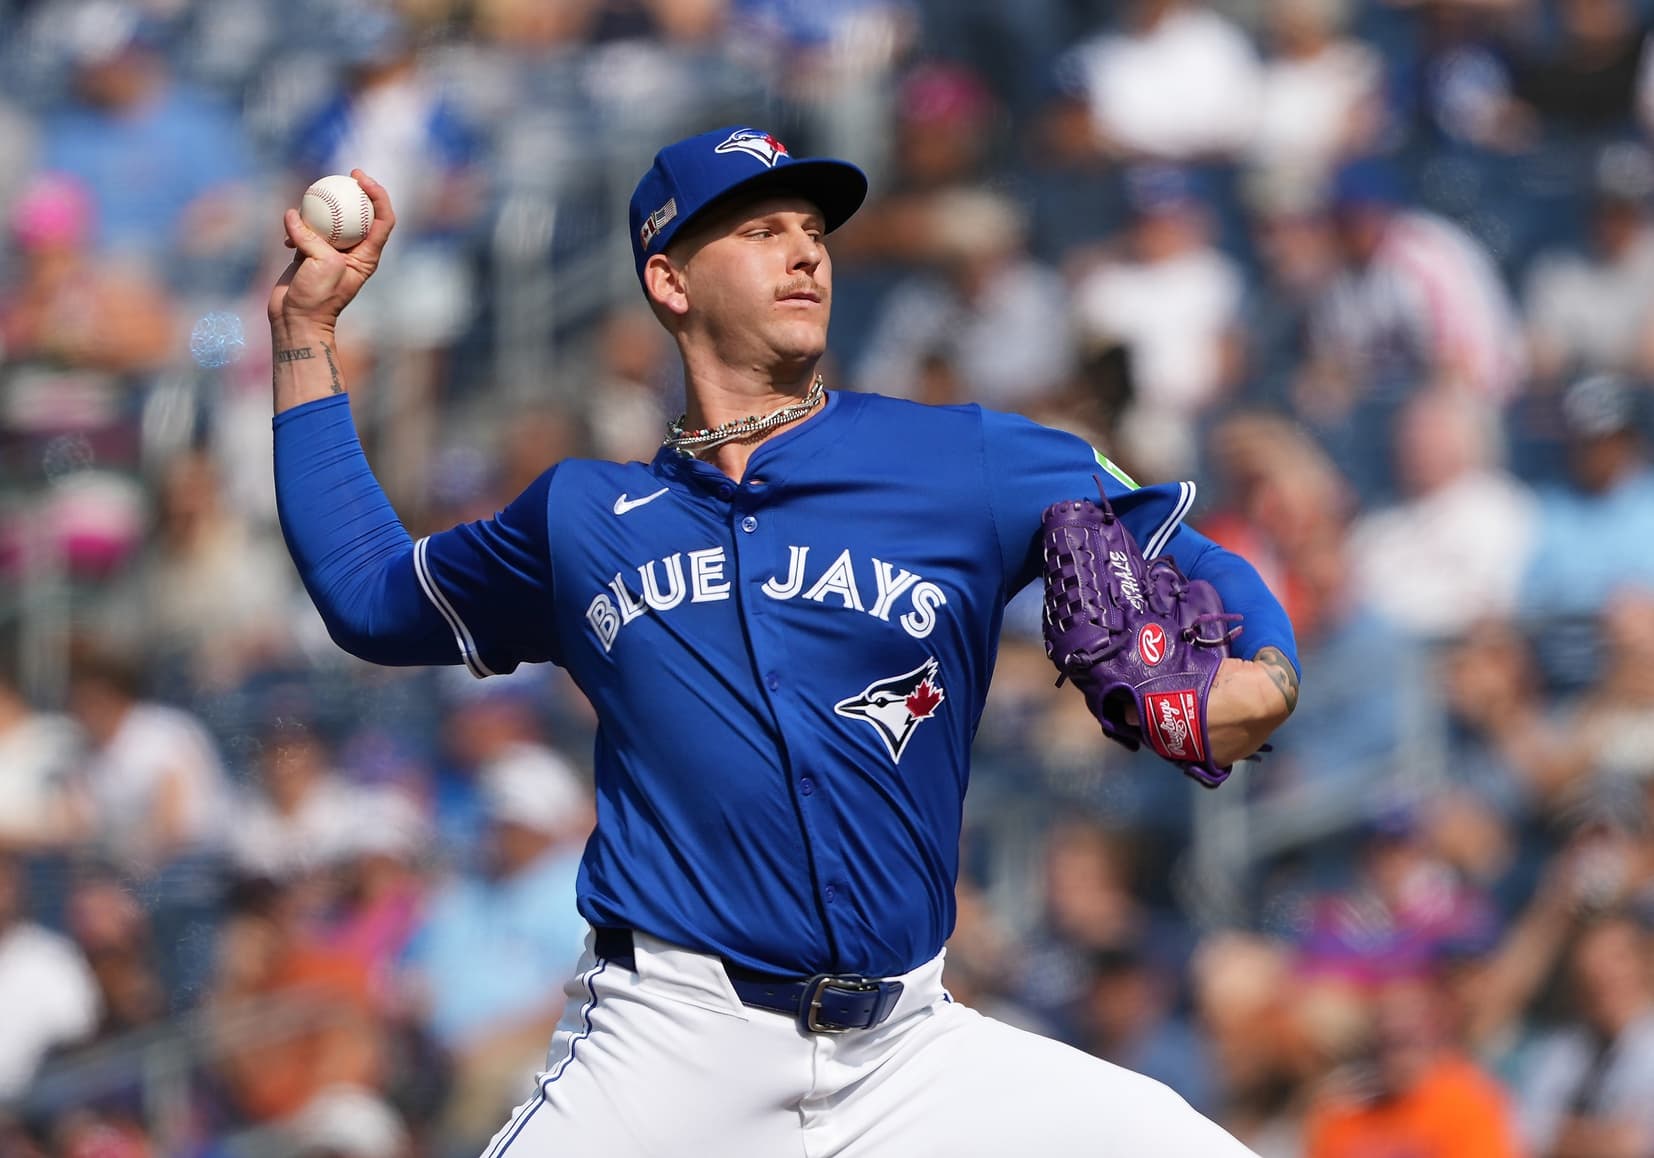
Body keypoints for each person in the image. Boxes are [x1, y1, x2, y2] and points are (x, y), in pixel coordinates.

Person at [267, 126, 1299, 1155]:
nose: (806, 252)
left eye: (813, 231)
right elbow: (369, 596)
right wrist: (305, 337)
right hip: (671, 1045)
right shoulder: (580, 517)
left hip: (908, 1053)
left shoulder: (958, 458)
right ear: (669, 282)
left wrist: (1267, 673)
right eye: (761, 231)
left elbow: (1187, 553)